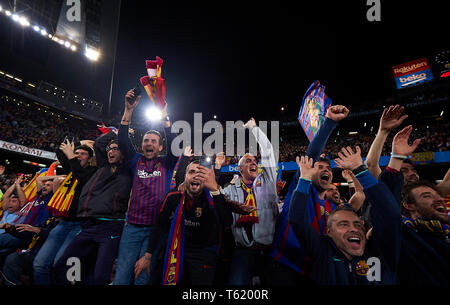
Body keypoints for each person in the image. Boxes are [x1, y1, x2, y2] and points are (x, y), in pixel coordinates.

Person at [289, 147, 401, 284]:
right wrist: (304, 178)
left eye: (358, 224)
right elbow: (297, 220)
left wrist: (359, 170)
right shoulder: (322, 252)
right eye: (343, 224)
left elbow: (390, 215)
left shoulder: (379, 253)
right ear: (328, 231)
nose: (353, 229)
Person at [268, 105, 349, 285]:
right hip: (285, 267)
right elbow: (311, 156)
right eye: (319, 168)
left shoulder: (334, 208)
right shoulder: (300, 190)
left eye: (328, 168)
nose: (325, 170)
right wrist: (329, 122)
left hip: (316, 273)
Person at [134, 160, 246, 285]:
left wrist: (215, 190)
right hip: (175, 251)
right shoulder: (173, 197)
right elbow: (160, 227)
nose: (196, 176)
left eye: (200, 173)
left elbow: (227, 222)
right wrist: (147, 256)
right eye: (192, 172)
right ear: (185, 176)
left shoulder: (214, 198)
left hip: (203, 254)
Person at [113, 89, 179, 285]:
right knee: (122, 277)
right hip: (132, 227)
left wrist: (165, 116)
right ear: (142, 145)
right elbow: (123, 141)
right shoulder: (135, 161)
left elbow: (174, 143)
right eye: (146, 141)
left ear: (160, 147)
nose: (149, 143)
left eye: (154, 141)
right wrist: (128, 110)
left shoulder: (167, 163)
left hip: (155, 230)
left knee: (142, 278)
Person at [53, 135, 132, 285]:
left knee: (100, 278)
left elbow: (120, 145)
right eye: (110, 149)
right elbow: (100, 143)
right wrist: (112, 133)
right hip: (88, 226)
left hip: (110, 228)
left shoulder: (127, 169)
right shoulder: (102, 168)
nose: (110, 151)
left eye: (116, 149)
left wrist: (121, 130)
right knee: (64, 267)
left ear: (123, 152)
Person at [32, 139, 97, 285]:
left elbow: (82, 177)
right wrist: (78, 141)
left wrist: (72, 156)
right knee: (39, 264)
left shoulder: (93, 173)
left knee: (63, 266)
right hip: (63, 223)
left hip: (80, 226)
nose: (78, 155)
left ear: (90, 158)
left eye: (83, 154)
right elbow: (60, 152)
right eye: (77, 153)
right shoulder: (71, 169)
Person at [221, 117, 278, 285]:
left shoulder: (268, 180)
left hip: (270, 250)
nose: (253, 162)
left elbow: (268, 149)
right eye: (248, 161)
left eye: (255, 160)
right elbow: (215, 200)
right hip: (243, 251)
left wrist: (254, 128)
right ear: (239, 169)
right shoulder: (229, 189)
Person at [399, 180, 450, 284]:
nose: (440, 199)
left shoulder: (446, 232)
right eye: (427, 196)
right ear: (409, 205)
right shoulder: (403, 235)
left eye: (439, 196)